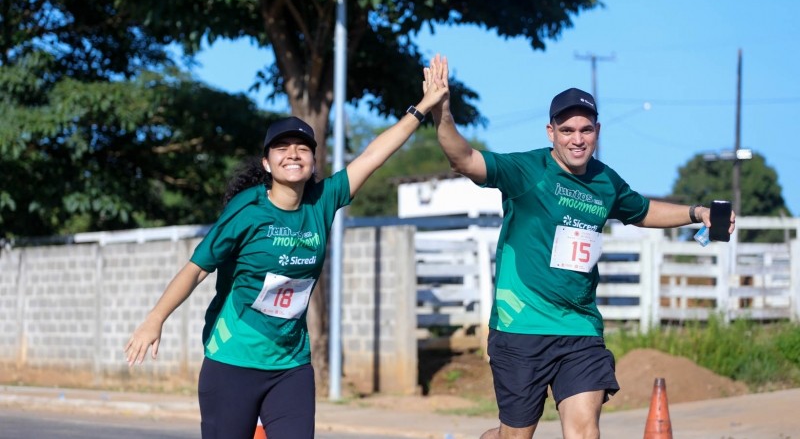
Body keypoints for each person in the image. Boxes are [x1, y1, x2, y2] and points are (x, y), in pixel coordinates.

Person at [424, 54, 735, 439]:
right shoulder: (527, 171)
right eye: (567, 130)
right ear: (550, 132)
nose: (577, 139)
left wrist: (696, 211)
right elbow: (464, 159)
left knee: (584, 431)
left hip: (580, 328)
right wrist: (443, 114)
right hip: (522, 326)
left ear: (598, 131)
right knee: (515, 435)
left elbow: (641, 210)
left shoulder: (606, 181)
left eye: (585, 130)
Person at [123, 77, 447, 439]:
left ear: (312, 160)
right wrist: (155, 319)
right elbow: (196, 269)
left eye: (302, 148)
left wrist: (422, 108)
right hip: (233, 359)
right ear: (266, 162)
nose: (293, 153)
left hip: (291, 365)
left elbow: (372, 156)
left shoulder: (322, 201)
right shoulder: (247, 210)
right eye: (281, 147)